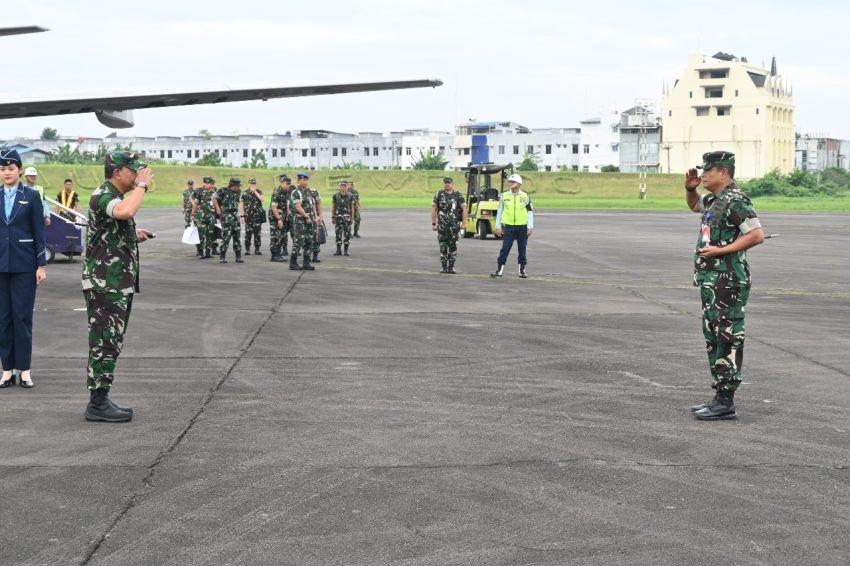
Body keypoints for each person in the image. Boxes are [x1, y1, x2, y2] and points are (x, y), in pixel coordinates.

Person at [685, 151, 764, 421]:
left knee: (728, 338)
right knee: (713, 337)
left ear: (724, 173)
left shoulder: (736, 200)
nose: (703, 175)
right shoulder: (713, 200)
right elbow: (695, 207)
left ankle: (727, 400)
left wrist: (722, 251)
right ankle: (719, 395)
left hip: (729, 281)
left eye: (708, 171)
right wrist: (690, 191)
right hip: (712, 281)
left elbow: (756, 235)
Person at [82, 151, 154, 422]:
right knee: (104, 341)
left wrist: (133, 235)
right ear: (118, 172)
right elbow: (125, 211)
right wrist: (142, 187)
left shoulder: (114, 196)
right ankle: (97, 403)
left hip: (114, 283)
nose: (137, 175)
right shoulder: (104, 194)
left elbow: (113, 225)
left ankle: (100, 398)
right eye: (133, 170)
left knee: (110, 341)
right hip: (105, 284)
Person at [0, 149, 47, 389]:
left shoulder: (31, 196)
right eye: (2, 169)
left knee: (22, 318)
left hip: (24, 265)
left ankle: (25, 370)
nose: (6, 173)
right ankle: (7, 370)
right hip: (1, 265)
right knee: (3, 319)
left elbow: (39, 232)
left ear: (19, 170)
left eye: (10, 168)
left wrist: (41, 264)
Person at [491, 173, 534, 278]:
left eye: (513, 182)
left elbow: (530, 212)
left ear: (519, 183)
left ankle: (522, 270)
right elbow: (500, 211)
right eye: (509, 181)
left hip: (522, 226)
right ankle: (499, 270)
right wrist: (498, 226)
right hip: (509, 226)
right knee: (505, 248)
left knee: (522, 248)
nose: (510, 183)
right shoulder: (504, 195)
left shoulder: (525, 196)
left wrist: (530, 226)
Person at [431, 176, 467, 273]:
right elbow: (434, 209)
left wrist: (464, 223)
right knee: (443, 247)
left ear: (452, 184)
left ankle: (451, 267)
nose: (447, 184)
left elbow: (464, 209)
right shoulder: (438, 194)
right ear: (443, 184)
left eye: (449, 182)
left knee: (453, 246)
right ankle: (443, 267)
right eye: (445, 182)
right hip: (442, 226)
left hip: (454, 226)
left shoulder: (458, 195)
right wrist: (434, 223)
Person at [288, 172, 316, 271]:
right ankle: (293, 262)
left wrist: (315, 217)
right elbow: (298, 207)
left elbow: (313, 206)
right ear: (298, 181)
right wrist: (306, 216)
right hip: (300, 221)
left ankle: (306, 262)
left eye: (306, 180)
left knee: (309, 241)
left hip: (309, 220)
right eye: (303, 180)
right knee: (298, 241)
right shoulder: (296, 192)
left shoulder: (308, 192)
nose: (305, 182)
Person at [213, 177, 244, 264]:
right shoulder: (223, 190)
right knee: (226, 237)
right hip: (226, 215)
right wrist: (218, 209)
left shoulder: (239, 192)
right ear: (232, 185)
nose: (238, 188)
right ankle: (222, 256)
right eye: (237, 186)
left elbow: (240, 202)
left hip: (235, 215)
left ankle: (238, 257)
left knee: (237, 237)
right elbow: (214, 198)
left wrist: (242, 215)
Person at [190, 176, 216, 259]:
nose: (206, 184)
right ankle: (201, 253)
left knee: (209, 234)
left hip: (211, 217)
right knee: (201, 235)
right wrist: (192, 214)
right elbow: (196, 203)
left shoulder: (215, 192)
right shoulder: (200, 192)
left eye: (208, 183)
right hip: (201, 217)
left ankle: (208, 253)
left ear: (212, 184)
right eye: (205, 183)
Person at [268, 175, 290, 262]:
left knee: (281, 236)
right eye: (286, 183)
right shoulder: (277, 193)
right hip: (275, 218)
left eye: (289, 184)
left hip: (282, 217)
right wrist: (279, 219)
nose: (288, 185)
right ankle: (274, 255)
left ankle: (278, 254)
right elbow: (273, 207)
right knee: (275, 236)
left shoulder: (286, 192)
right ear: (281, 183)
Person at [331, 180, 356, 256]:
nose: (343, 187)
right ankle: (338, 250)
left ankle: (346, 250)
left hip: (347, 218)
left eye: (345, 186)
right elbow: (334, 206)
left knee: (347, 234)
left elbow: (352, 207)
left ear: (347, 186)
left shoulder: (350, 195)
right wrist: (333, 216)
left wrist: (352, 218)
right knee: (338, 234)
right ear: (339, 186)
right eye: (342, 186)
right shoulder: (335, 195)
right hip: (338, 218)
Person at [242, 178, 265, 255]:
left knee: (257, 234)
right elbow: (241, 205)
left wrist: (255, 191)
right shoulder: (245, 193)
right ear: (248, 184)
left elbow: (262, 199)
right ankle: (247, 249)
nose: (252, 185)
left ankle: (257, 249)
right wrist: (242, 216)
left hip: (257, 217)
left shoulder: (259, 191)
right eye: (251, 184)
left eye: (254, 184)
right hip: (248, 217)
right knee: (248, 233)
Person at [310, 185, 324, 263]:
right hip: (307, 219)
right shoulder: (302, 195)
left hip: (316, 219)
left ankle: (315, 256)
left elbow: (319, 206)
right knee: (307, 239)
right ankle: (307, 256)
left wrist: (320, 217)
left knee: (317, 238)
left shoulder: (315, 195)